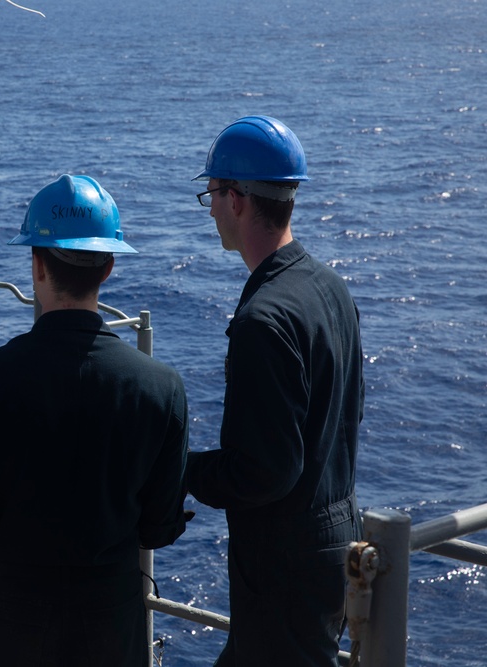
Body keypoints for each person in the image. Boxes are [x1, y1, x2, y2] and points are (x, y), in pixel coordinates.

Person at [0, 174, 190, 667]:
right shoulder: (161, 387)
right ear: (108, 267)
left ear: (36, 265)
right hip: (112, 627)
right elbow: (157, 527)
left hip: (13, 626)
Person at [186, 115, 364, 666]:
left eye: (212, 192)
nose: (210, 206)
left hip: (285, 566)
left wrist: (177, 466)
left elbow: (263, 472)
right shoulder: (327, 286)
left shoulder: (264, 319)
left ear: (237, 199)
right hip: (332, 539)